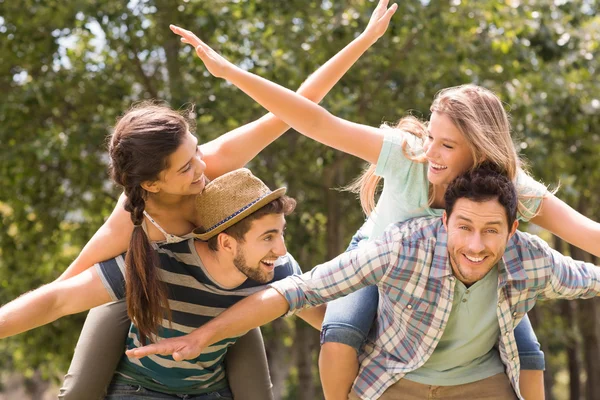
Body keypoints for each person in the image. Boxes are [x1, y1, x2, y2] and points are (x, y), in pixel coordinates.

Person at [167, 22, 600, 399]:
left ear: (481, 148)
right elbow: (316, 121)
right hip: (378, 258)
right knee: (340, 335)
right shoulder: (408, 156)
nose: (431, 152)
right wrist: (228, 72)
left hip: (471, 280)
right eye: (431, 136)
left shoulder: (508, 188)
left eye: (447, 145)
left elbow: (588, 235)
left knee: (529, 355)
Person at [55, 2, 398, 398]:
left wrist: (364, 39)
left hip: (227, 294)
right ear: (151, 184)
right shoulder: (134, 217)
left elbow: (298, 107)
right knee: (79, 388)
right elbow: (64, 290)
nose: (200, 168)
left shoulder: (211, 164)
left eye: (197, 152)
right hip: (151, 292)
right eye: (185, 168)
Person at [127, 164, 600, 400]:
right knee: (339, 334)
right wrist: (204, 334)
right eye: (464, 228)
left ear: (513, 231)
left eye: (492, 231)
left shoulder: (532, 260)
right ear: (443, 223)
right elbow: (298, 291)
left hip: (481, 384)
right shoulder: (402, 247)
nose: (476, 245)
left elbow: (590, 279)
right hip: (400, 381)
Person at [0, 168, 325, 399]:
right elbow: (57, 301)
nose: (281, 250)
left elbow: (326, 323)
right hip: (140, 387)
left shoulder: (277, 269)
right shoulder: (156, 263)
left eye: (281, 233)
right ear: (226, 243)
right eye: (268, 237)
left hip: (209, 390)